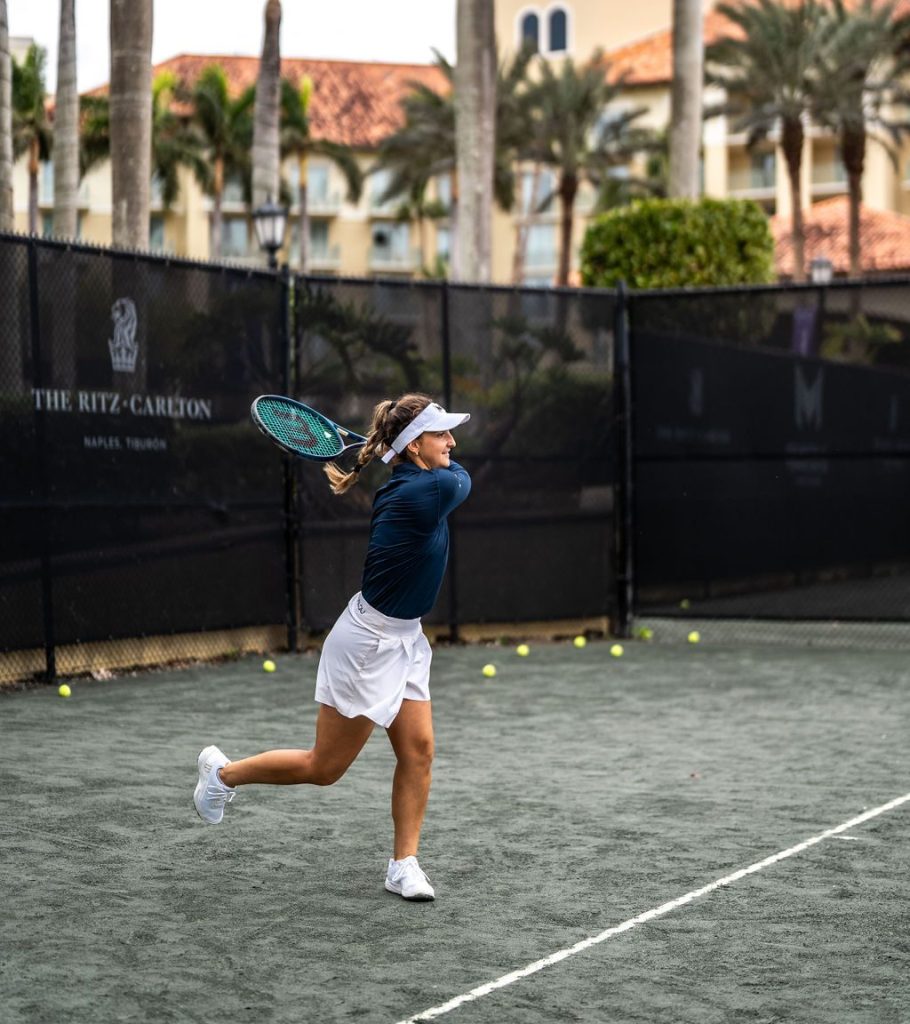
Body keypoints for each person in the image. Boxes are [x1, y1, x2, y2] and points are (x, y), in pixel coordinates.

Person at [193, 394, 471, 902]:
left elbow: (447, 465)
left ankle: (403, 865)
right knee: (324, 767)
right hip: (368, 645)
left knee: (419, 752)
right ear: (414, 447)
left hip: (406, 638)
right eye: (441, 434)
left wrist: (398, 449)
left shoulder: (418, 478)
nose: (452, 442)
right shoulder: (425, 490)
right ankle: (223, 774)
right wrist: (395, 451)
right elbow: (464, 479)